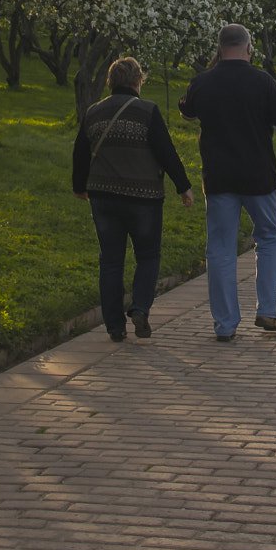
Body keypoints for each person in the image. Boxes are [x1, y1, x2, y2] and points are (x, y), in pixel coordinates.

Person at [179, 24, 276, 341]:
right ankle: (267, 310)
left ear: (219, 49)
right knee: (270, 238)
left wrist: (209, 72)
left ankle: (225, 324)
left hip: (218, 178)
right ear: (249, 49)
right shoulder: (264, 82)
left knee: (220, 249)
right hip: (259, 177)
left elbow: (187, 113)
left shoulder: (203, 82)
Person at [73, 58, 195, 342]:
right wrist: (183, 187)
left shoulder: (93, 112)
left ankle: (114, 326)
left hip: (102, 197)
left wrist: (80, 187)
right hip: (144, 198)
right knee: (148, 255)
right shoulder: (147, 111)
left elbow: (80, 153)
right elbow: (167, 152)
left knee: (111, 261)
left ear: (110, 82)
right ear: (138, 81)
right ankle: (140, 307)